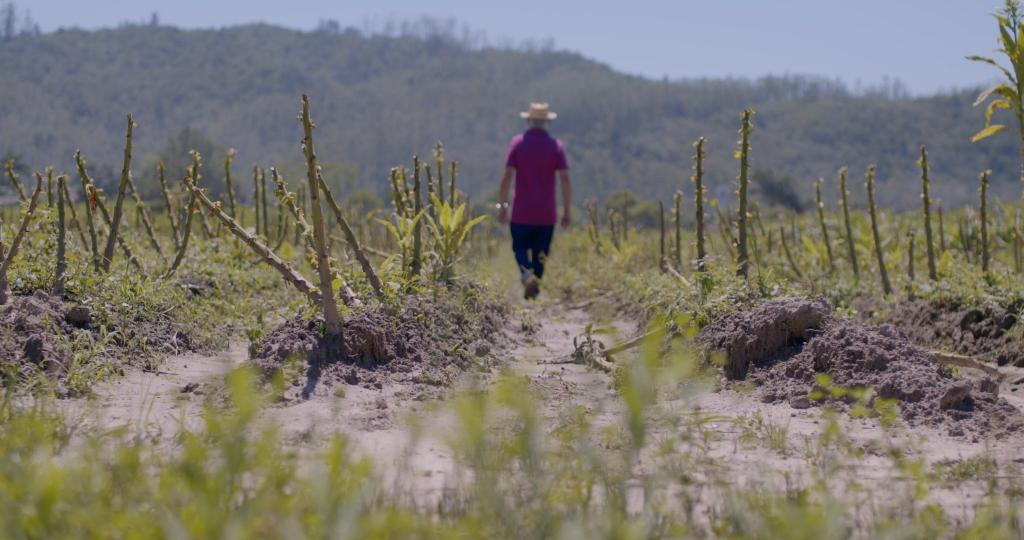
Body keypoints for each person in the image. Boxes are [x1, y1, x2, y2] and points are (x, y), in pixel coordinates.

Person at [496, 102, 571, 299]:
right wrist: (567, 211)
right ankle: (534, 288)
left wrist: (502, 205)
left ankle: (526, 275)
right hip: (546, 213)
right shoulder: (556, 146)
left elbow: (507, 176)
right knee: (541, 254)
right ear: (547, 122)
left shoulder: (518, 143)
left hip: (521, 211)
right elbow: (564, 178)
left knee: (519, 248)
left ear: (529, 120)